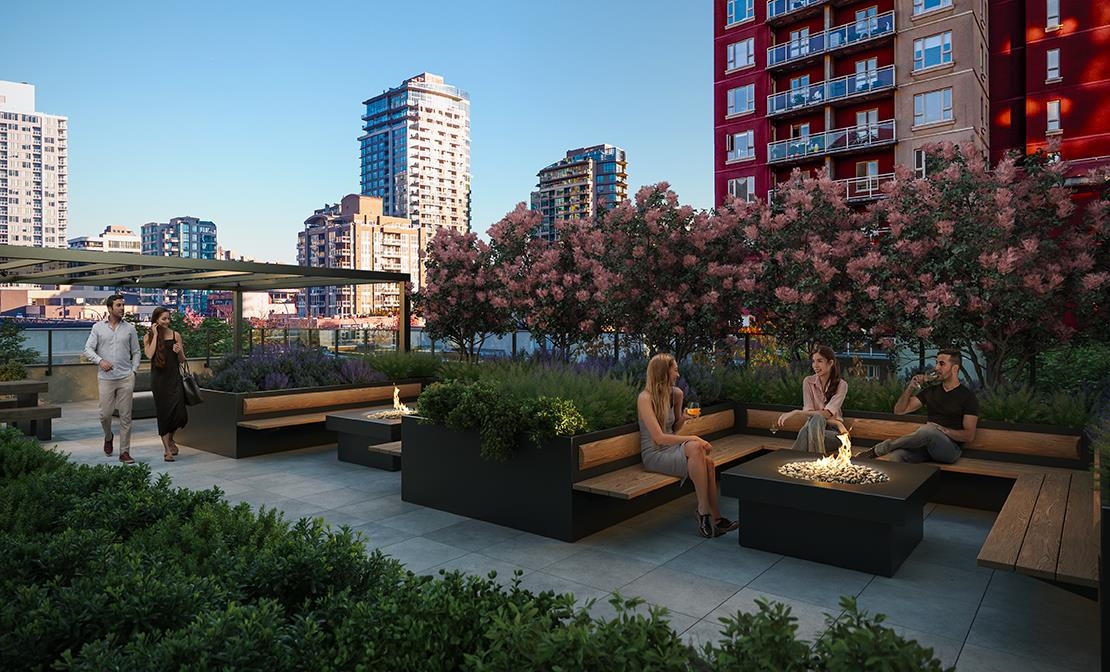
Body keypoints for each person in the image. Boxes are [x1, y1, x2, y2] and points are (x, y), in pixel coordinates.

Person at [637, 353, 739, 538]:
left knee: (705, 460)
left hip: (672, 448)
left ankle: (709, 515)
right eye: (674, 370)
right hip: (655, 453)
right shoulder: (645, 398)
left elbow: (674, 428)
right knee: (699, 451)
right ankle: (709, 514)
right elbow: (659, 438)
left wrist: (683, 418)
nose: (677, 374)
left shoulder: (676, 394)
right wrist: (694, 437)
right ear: (663, 372)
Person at [858, 348, 978, 463]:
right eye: (936, 363)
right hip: (926, 447)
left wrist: (944, 431)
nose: (936, 367)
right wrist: (910, 387)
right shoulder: (931, 391)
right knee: (897, 457)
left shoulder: (967, 397)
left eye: (942, 364)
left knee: (929, 429)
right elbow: (899, 411)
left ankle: (883, 448)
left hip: (950, 450)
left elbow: (969, 435)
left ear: (955, 369)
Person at [83, 294, 141, 464]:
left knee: (126, 417)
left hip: (126, 378)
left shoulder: (130, 328)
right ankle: (108, 436)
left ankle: (124, 452)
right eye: (118, 305)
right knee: (105, 415)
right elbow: (88, 349)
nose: (122, 308)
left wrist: (134, 371)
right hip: (106, 378)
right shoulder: (97, 328)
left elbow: (136, 351)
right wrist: (100, 361)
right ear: (109, 308)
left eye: (123, 305)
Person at [776, 345, 850, 454]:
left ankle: (790, 460)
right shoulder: (808, 382)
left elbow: (826, 414)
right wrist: (838, 423)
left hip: (833, 434)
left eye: (820, 361)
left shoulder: (842, 385)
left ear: (830, 363)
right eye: (813, 361)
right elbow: (809, 414)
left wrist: (796, 412)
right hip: (812, 427)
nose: (815, 365)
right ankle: (817, 458)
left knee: (813, 423)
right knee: (813, 423)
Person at [143, 307, 188, 461]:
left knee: (179, 414)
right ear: (156, 320)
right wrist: (155, 335)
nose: (167, 321)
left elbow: (182, 360)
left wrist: (179, 351)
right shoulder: (148, 336)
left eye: (168, 318)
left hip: (174, 379)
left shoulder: (176, 335)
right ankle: (167, 450)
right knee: (163, 414)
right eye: (163, 319)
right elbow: (149, 354)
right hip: (159, 381)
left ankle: (171, 438)